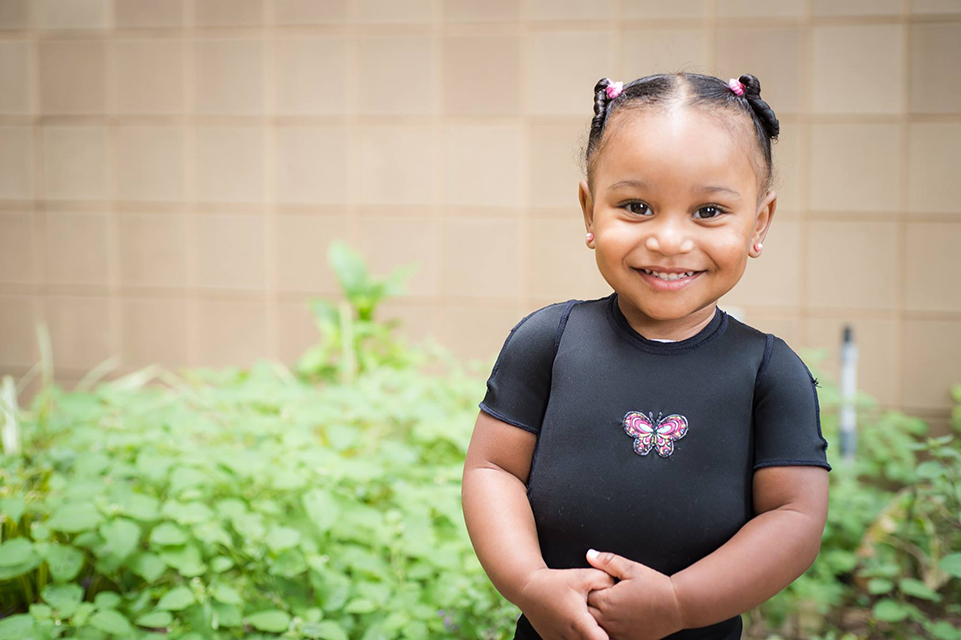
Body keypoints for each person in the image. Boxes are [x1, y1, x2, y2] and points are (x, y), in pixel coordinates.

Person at [461, 72, 832, 640]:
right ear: (590, 211)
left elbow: (794, 519)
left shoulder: (769, 373)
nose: (669, 240)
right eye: (637, 206)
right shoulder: (549, 342)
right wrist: (531, 582)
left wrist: (681, 604)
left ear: (759, 222)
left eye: (708, 212)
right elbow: (493, 470)